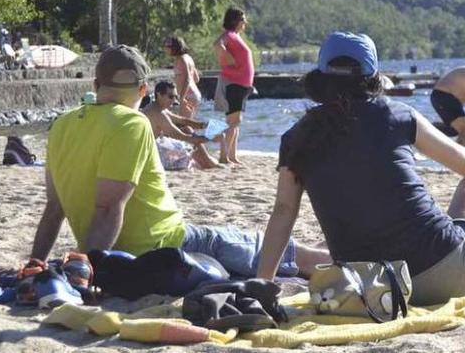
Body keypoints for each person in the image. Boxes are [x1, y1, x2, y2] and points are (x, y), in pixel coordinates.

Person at [256, 32, 465, 306]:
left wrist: (261, 286)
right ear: (373, 75)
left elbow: (283, 212)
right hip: (451, 275)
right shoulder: (395, 114)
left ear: (321, 75)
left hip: (375, 287)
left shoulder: (296, 138)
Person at [29, 45, 330, 277]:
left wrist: (37, 262)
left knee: (245, 241)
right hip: (165, 245)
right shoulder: (132, 123)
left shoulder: (63, 125)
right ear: (144, 90)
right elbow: (108, 208)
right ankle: (328, 259)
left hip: (109, 251)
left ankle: (317, 253)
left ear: (95, 85)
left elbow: (54, 209)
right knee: (253, 245)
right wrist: (93, 271)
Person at [142, 80, 220, 170]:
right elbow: (184, 137)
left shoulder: (157, 107)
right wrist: (211, 138)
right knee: (190, 146)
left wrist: (204, 125)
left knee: (188, 129)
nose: (174, 100)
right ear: (159, 95)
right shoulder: (158, 113)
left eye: (175, 97)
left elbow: (183, 120)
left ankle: (207, 161)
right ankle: (207, 162)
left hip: (156, 144)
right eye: (170, 96)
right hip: (152, 153)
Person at [213, 8, 254, 165]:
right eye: (242, 19)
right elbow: (217, 44)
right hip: (234, 83)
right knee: (232, 121)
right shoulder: (229, 35)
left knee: (236, 121)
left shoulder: (236, 36)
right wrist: (227, 59)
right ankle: (224, 157)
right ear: (235, 21)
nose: (245, 22)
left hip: (241, 84)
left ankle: (232, 155)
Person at [163, 36, 202, 119]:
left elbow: (188, 79)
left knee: (185, 125)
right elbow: (196, 78)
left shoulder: (181, 59)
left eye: (167, 46)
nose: (165, 48)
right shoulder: (188, 58)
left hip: (188, 96)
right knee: (188, 124)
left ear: (174, 47)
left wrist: (181, 97)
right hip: (194, 94)